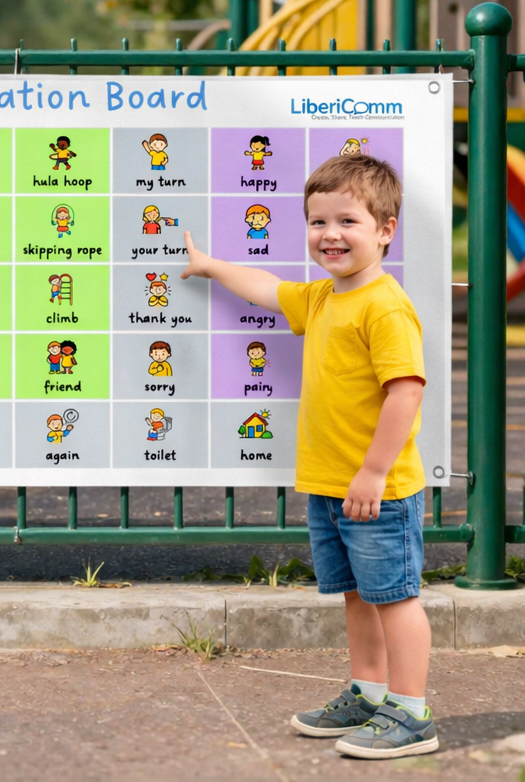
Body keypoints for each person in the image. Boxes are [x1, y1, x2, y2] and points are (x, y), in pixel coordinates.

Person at [180, 154, 435, 759]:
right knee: (356, 595)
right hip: (331, 485)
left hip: (380, 489)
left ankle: (412, 712)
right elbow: (268, 289)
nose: (330, 234)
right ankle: (371, 694)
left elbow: (406, 391)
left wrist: (373, 471)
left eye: (347, 220)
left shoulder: (385, 305)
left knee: (396, 599)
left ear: (385, 229)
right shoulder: (324, 299)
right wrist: (213, 266)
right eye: (318, 222)